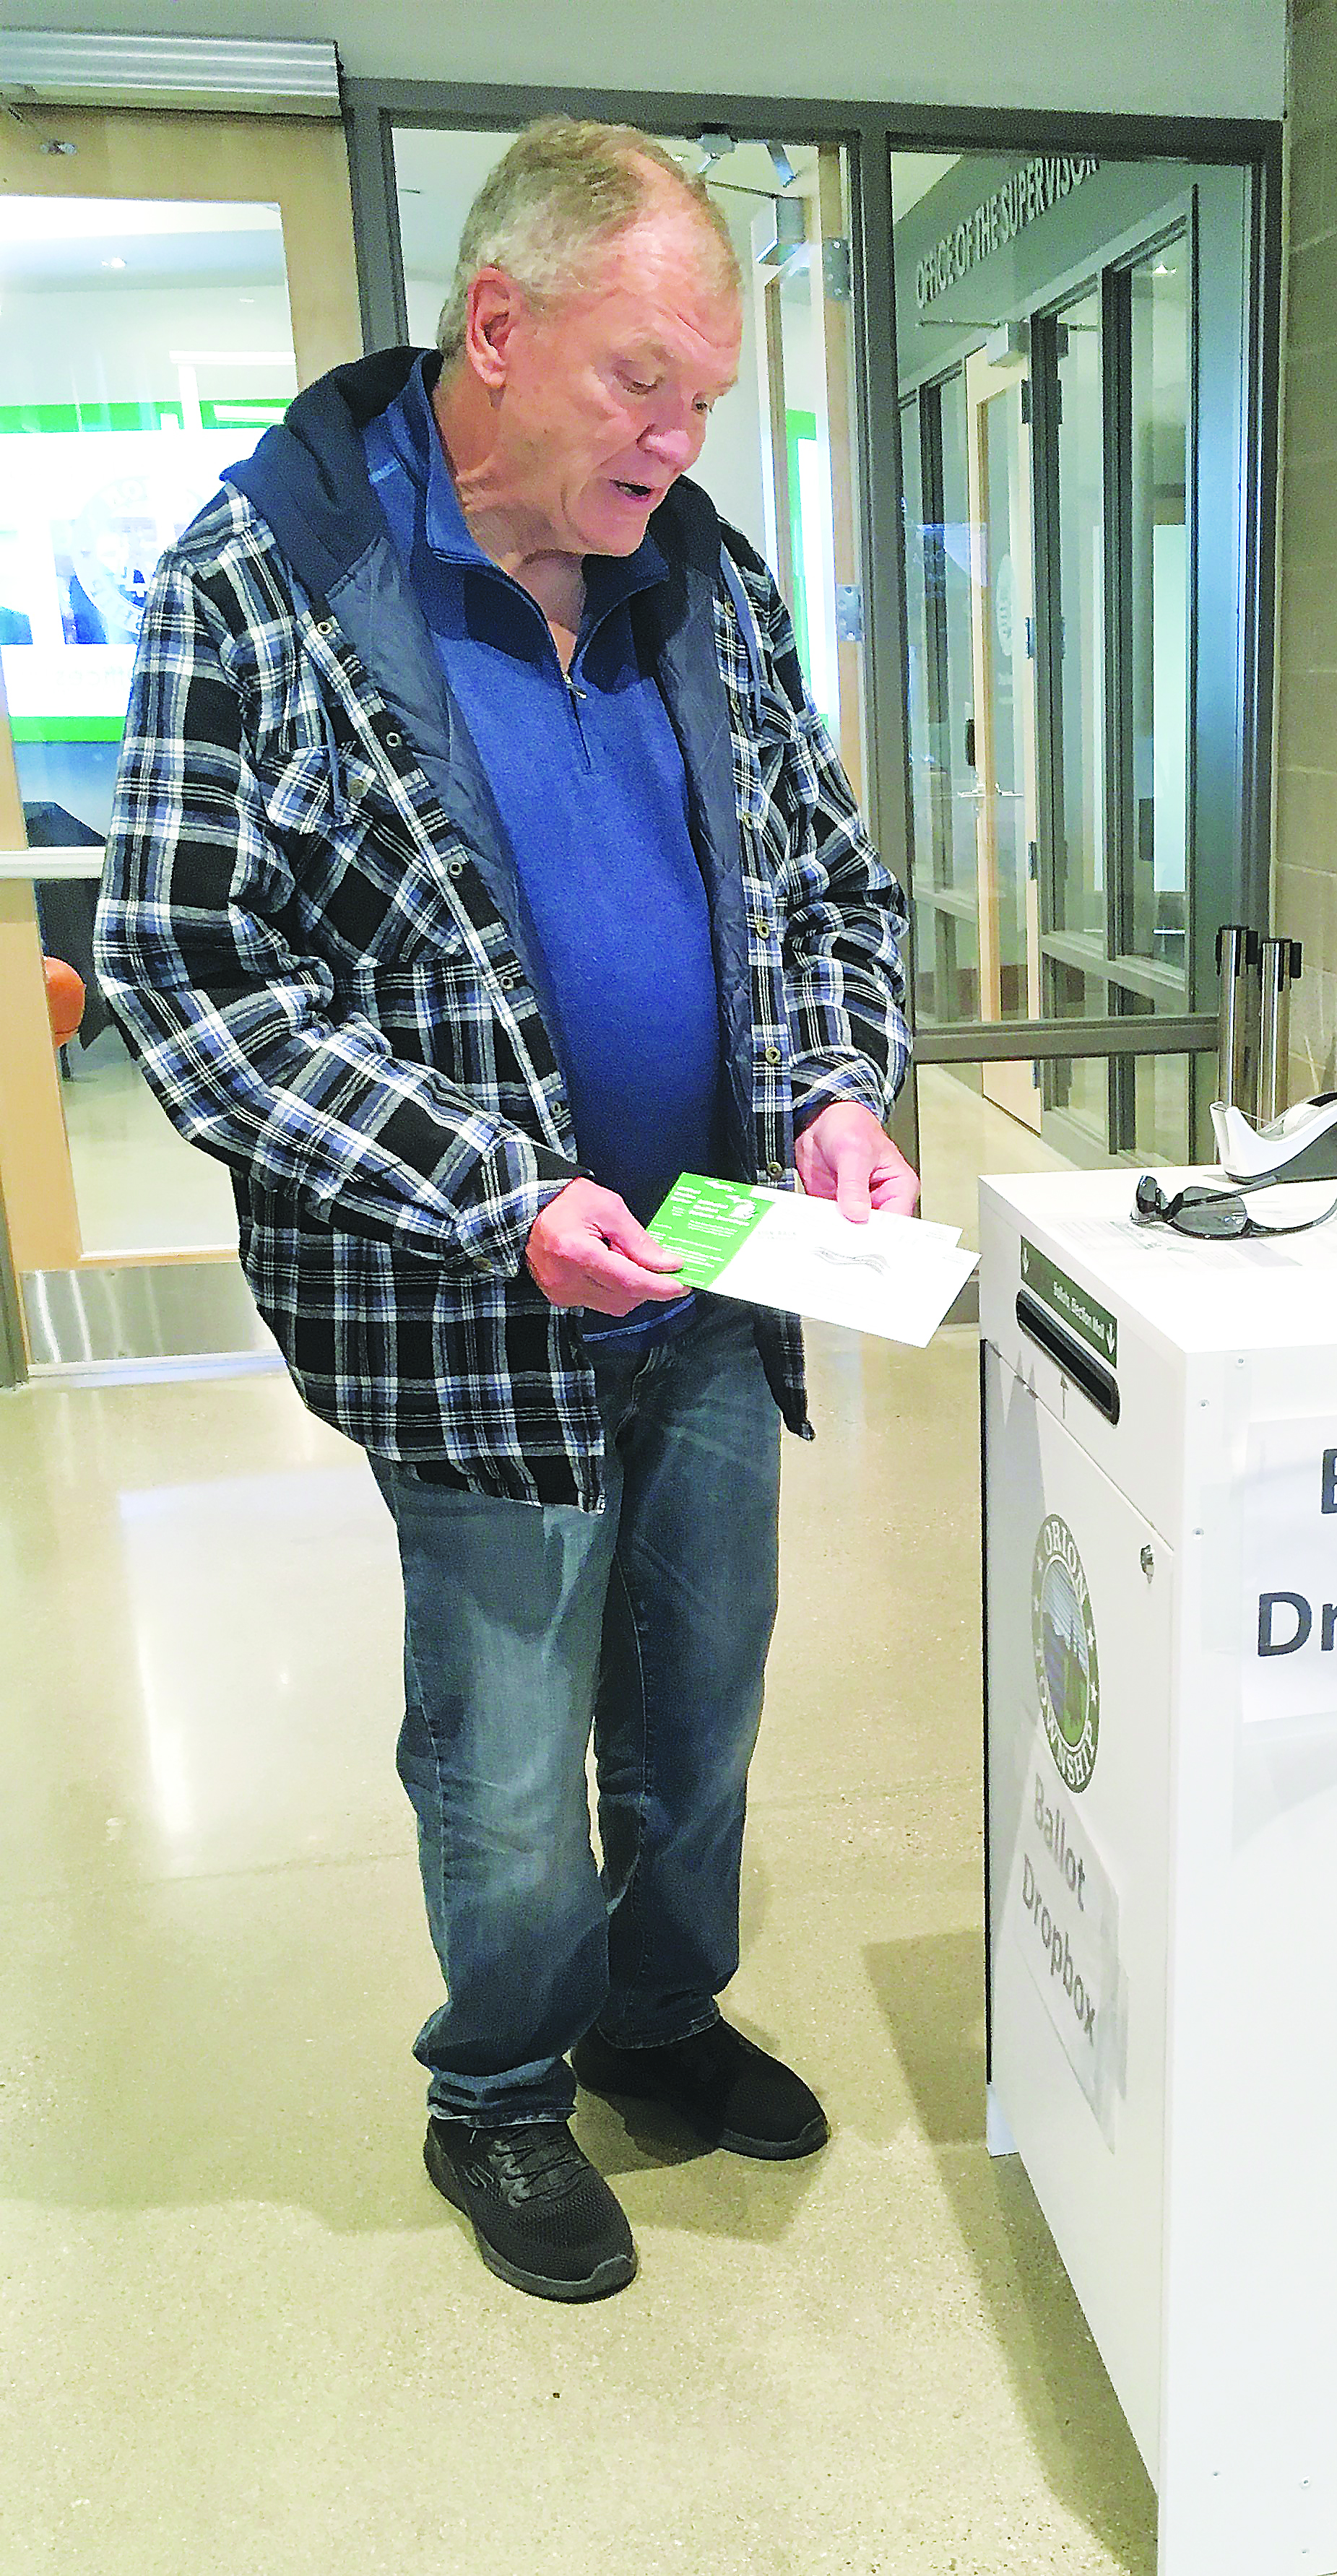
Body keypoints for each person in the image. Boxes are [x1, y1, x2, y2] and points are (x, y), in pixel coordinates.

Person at [95, 118, 914, 2304]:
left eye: (707, 399)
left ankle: (656, 2018)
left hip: (718, 1276)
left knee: (699, 1703)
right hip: (469, 1315)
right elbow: (191, 970)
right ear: (498, 326)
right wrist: (494, 1191)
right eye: (641, 382)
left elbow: (827, 884)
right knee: (505, 1744)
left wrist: (829, 1085)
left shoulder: (703, 583)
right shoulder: (261, 585)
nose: (677, 435)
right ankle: (504, 2090)